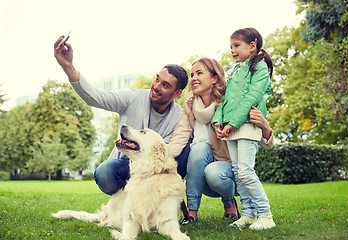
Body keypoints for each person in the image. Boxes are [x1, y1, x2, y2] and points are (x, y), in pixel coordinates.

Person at [53, 35, 190, 196]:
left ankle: (162, 201)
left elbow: (167, 155)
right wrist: (68, 66)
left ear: (177, 93)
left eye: (165, 85)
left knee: (186, 149)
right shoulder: (133, 98)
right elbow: (96, 97)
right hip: (126, 166)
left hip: (155, 174)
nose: (156, 86)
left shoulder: (179, 117)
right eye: (157, 79)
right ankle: (128, 203)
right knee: (104, 172)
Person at [169, 57, 274, 225]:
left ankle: (230, 205)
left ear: (214, 78)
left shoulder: (230, 101)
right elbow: (180, 136)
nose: (194, 78)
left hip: (232, 173)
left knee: (214, 171)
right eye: (192, 74)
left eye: (199, 73)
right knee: (198, 148)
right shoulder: (190, 106)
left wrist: (265, 126)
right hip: (201, 175)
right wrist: (164, 155)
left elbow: (261, 141)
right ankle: (191, 214)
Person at [211, 28, 276, 230]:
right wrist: (218, 122)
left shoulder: (260, 68)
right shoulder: (236, 70)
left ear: (252, 45)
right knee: (238, 173)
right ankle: (248, 214)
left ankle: (265, 215)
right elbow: (224, 100)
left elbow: (251, 98)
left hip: (247, 125)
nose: (232, 50)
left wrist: (233, 123)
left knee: (246, 172)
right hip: (233, 127)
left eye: (236, 45)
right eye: (231, 46)